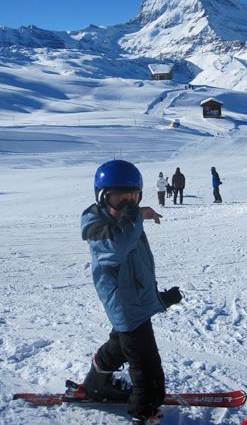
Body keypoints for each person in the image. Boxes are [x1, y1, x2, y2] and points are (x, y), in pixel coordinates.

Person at [66, 160, 183, 425]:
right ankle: (144, 412)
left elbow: (135, 269)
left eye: (134, 197)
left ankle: (96, 383)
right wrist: (137, 213)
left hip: (134, 302)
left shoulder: (125, 221)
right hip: (125, 305)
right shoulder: (97, 228)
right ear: (102, 197)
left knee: (120, 345)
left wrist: (158, 299)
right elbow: (118, 245)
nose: (128, 205)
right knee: (146, 367)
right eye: (121, 199)